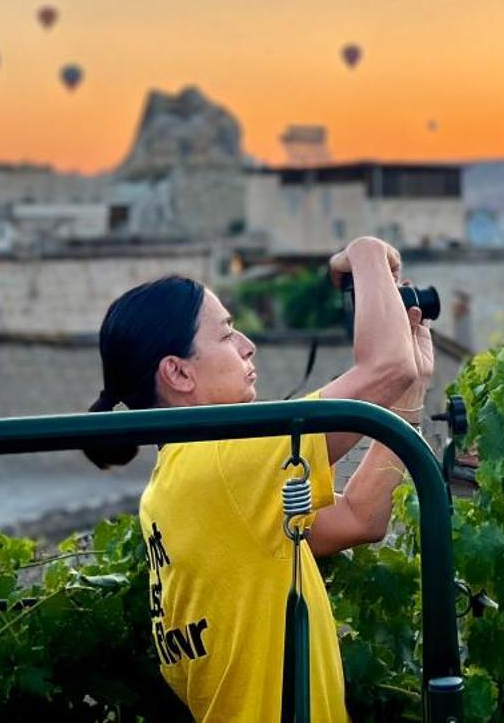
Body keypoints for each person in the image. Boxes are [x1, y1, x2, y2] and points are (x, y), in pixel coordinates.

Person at [86, 235, 432, 722]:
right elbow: (385, 365)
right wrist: (366, 253)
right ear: (178, 373)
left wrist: (409, 399)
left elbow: (359, 518)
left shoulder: (183, 483)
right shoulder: (223, 462)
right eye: (227, 334)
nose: (248, 347)